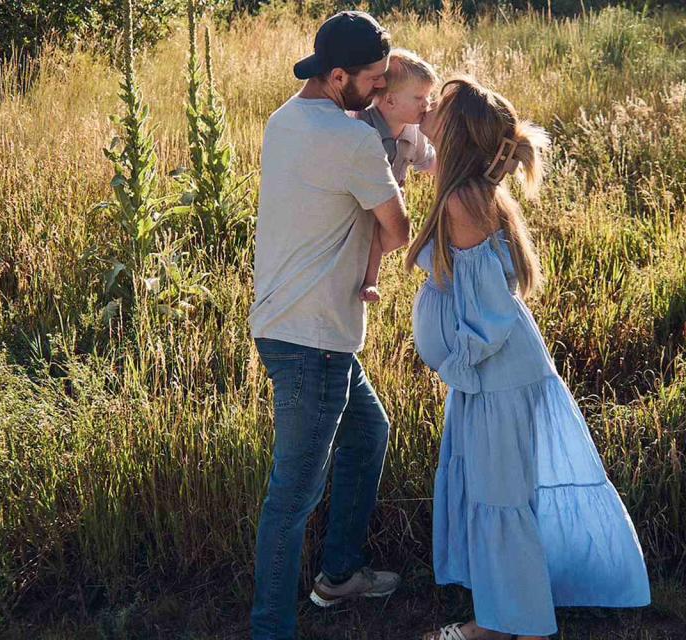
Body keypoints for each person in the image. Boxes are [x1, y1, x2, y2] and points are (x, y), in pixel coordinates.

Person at [409, 77, 651, 640]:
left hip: (494, 376)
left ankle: (504, 627)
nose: (430, 110)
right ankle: (503, 616)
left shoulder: (464, 202)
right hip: (495, 377)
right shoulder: (470, 190)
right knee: (497, 495)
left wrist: (459, 365)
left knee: (500, 501)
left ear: (456, 133)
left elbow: (489, 313)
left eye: (438, 107)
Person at [246, 11, 411, 640]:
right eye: (371, 81)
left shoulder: (282, 121)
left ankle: (339, 574)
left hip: (288, 324)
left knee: (369, 432)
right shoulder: (352, 142)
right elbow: (396, 231)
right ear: (337, 75)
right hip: (312, 339)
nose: (376, 92)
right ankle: (272, 630)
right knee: (292, 497)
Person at [353, 48, 439, 303]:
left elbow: (430, 163)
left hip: (389, 199)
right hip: (359, 197)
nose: (427, 104)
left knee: (387, 233)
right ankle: (369, 281)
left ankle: (367, 275)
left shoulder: (415, 133)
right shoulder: (361, 125)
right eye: (419, 97)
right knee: (367, 231)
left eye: (429, 96)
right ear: (390, 101)